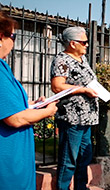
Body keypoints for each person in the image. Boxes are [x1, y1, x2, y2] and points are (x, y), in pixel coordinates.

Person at [0, 12, 58, 189]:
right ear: (1, 38)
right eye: (13, 36)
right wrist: (48, 111)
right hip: (7, 159)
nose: (14, 41)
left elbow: (8, 104)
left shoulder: (3, 66)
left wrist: (32, 104)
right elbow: (15, 118)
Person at [50, 26, 99, 190]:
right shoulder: (62, 60)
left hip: (86, 117)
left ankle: (81, 187)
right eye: (84, 42)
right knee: (69, 159)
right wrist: (83, 90)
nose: (87, 45)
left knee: (84, 158)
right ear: (72, 43)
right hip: (72, 117)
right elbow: (57, 86)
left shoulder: (82, 59)